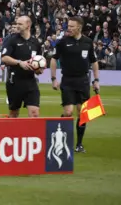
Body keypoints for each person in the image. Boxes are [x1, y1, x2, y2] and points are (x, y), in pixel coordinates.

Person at [51, 16, 100, 153]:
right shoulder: (62, 42)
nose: (69, 28)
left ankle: (79, 144)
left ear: (79, 27)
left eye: (72, 26)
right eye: (69, 26)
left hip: (83, 81)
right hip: (67, 81)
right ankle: (60, 140)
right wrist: (53, 78)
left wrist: (96, 80)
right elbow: (54, 60)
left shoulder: (88, 42)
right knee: (68, 112)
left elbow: (94, 61)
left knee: (82, 114)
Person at [1, 16, 43, 118]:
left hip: (31, 81)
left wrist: (38, 69)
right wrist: (19, 62)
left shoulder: (36, 43)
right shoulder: (11, 40)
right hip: (15, 81)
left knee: (34, 113)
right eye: (17, 24)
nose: (17, 26)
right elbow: (4, 58)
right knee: (14, 114)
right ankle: (12, 134)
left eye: (20, 24)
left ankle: (32, 134)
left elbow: (39, 60)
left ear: (28, 25)